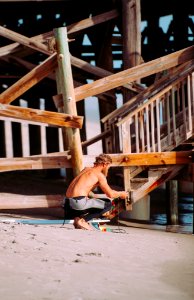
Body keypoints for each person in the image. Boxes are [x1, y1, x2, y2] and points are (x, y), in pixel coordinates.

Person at [63, 153, 128, 230]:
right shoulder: (99, 175)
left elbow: (84, 188)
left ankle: (77, 218)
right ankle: (83, 221)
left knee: (92, 202)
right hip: (77, 204)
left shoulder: (86, 169)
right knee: (108, 204)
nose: (108, 169)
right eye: (108, 167)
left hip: (67, 205)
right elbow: (110, 194)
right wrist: (121, 194)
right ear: (104, 164)